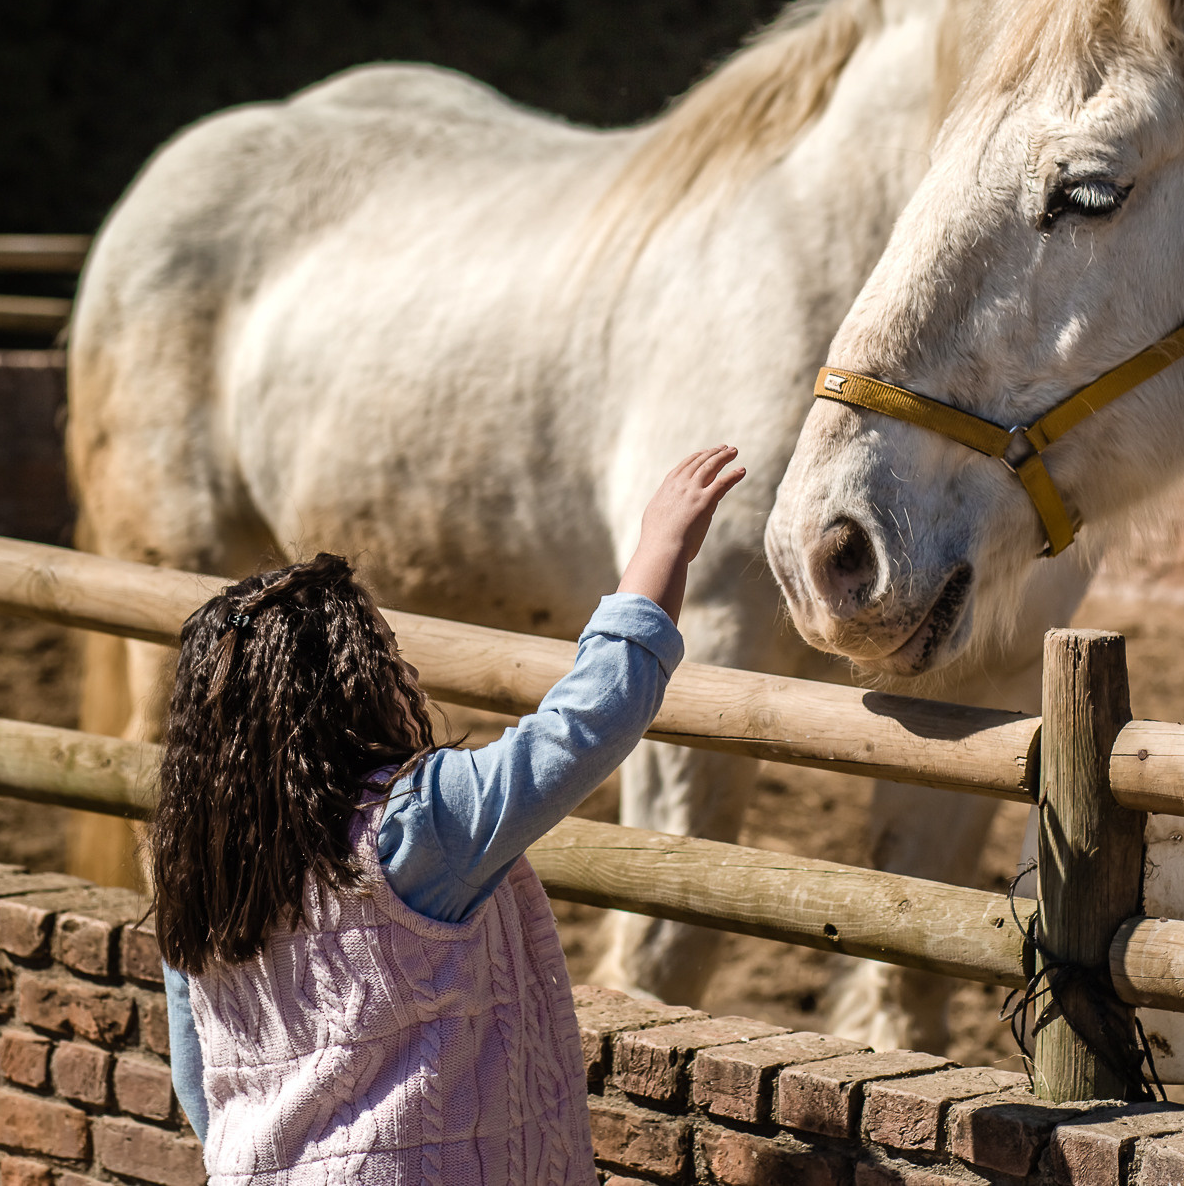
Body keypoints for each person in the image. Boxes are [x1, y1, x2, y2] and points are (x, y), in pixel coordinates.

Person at [148, 445, 745, 1186]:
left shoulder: (190, 860)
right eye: (388, 655)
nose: (410, 673)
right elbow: (588, 716)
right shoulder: (417, 827)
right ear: (352, 686)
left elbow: (193, 1064)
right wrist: (663, 545)